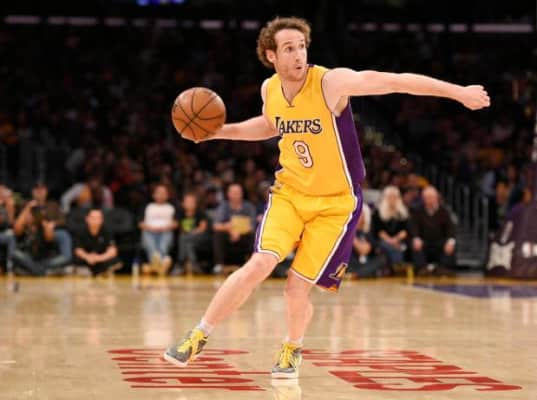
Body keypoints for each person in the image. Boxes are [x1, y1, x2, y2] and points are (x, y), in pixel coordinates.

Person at [164, 16, 490, 378]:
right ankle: (198, 335)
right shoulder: (270, 89)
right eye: (289, 48)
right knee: (259, 264)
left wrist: (459, 92)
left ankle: (292, 347)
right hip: (289, 194)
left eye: (302, 47)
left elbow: (395, 81)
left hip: (335, 205)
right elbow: (270, 125)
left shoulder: (331, 83)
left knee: (295, 289)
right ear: (271, 55)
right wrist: (218, 132)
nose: (299, 55)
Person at [410, 186, 456, 276]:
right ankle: (422, 268)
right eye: (426, 198)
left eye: (431, 197)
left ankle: (444, 268)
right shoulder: (417, 211)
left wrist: (451, 241)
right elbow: (414, 227)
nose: (429, 200)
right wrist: (416, 238)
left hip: (439, 240)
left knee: (449, 243)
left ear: (437, 198)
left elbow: (450, 228)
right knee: (416, 243)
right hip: (424, 240)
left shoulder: (444, 211)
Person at [212, 183, 257, 275]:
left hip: (244, 236)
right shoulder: (223, 206)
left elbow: (252, 226)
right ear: (228, 194)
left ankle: (252, 264)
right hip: (228, 235)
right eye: (233, 192)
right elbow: (216, 225)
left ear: (242, 194)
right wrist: (228, 229)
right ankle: (219, 265)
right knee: (218, 235)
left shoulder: (249, 207)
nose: (236, 195)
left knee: (254, 236)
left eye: (238, 192)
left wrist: (239, 232)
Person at [139, 184, 177, 276]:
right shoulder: (148, 207)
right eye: (158, 193)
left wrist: (164, 228)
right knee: (146, 234)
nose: (161, 195)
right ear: (153, 195)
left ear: (167, 195)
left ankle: (155, 264)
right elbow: (140, 223)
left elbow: (176, 223)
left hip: (166, 231)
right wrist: (151, 228)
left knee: (167, 235)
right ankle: (162, 263)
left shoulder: (171, 207)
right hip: (149, 231)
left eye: (163, 193)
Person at [73, 208, 122, 277]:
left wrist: (99, 258)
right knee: (76, 259)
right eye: (93, 217)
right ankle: (91, 271)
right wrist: (87, 257)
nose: (95, 220)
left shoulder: (107, 231)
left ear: (102, 220)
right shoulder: (80, 231)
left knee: (115, 261)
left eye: (98, 218)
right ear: (87, 219)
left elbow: (113, 250)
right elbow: (78, 249)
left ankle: (100, 271)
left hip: (101, 258)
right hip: (86, 260)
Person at [371, 185, 410, 269]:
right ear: (385, 198)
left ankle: (397, 267)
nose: (392, 199)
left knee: (401, 246)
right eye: (390, 197)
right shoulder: (378, 213)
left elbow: (405, 230)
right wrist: (390, 241)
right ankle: (398, 266)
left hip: (399, 240)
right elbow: (378, 231)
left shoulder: (403, 213)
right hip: (384, 240)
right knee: (390, 247)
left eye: (395, 197)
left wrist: (396, 239)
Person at [176, 192, 209, 274]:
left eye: (192, 202)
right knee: (188, 244)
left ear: (196, 203)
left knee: (183, 238)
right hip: (187, 238)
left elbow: (202, 228)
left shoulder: (200, 213)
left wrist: (191, 233)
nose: (190, 204)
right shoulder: (180, 214)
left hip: (199, 237)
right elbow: (179, 228)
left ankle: (180, 263)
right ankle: (194, 264)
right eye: (188, 202)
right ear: (183, 204)